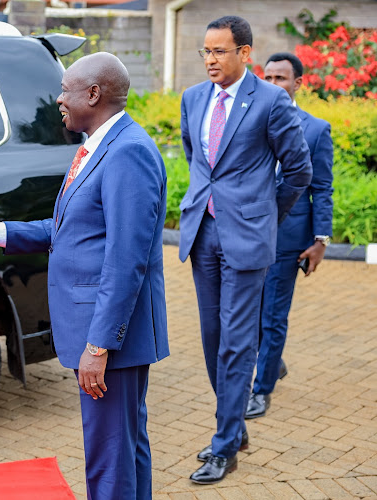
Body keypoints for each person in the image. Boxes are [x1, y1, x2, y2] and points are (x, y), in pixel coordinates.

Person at [0, 52, 169, 500]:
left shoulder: (127, 152)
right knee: (123, 449)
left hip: (110, 338)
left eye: (65, 89)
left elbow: (125, 259)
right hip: (103, 332)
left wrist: (99, 346)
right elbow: (68, 230)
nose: (58, 98)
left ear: (94, 94)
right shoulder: (97, 144)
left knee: (109, 457)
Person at [178, 16, 312, 484]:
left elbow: (298, 170)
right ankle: (233, 426)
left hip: (248, 238)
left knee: (237, 344)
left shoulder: (272, 101)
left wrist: (263, 216)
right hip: (203, 234)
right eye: (206, 52)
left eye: (220, 51)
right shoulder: (192, 98)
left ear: (245, 53)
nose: (211, 60)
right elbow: (198, 156)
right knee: (213, 338)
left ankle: (223, 446)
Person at [245, 52, 334, 419]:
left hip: (289, 238)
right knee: (251, 314)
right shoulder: (250, 121)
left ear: (298, 83)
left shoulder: (315, 129)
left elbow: (322, 189)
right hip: (251, 233)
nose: (274, 84)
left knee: (273, 316)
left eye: (281, 78)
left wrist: (320, 240)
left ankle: (261, 389)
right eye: (268, 77)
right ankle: (274, 362)